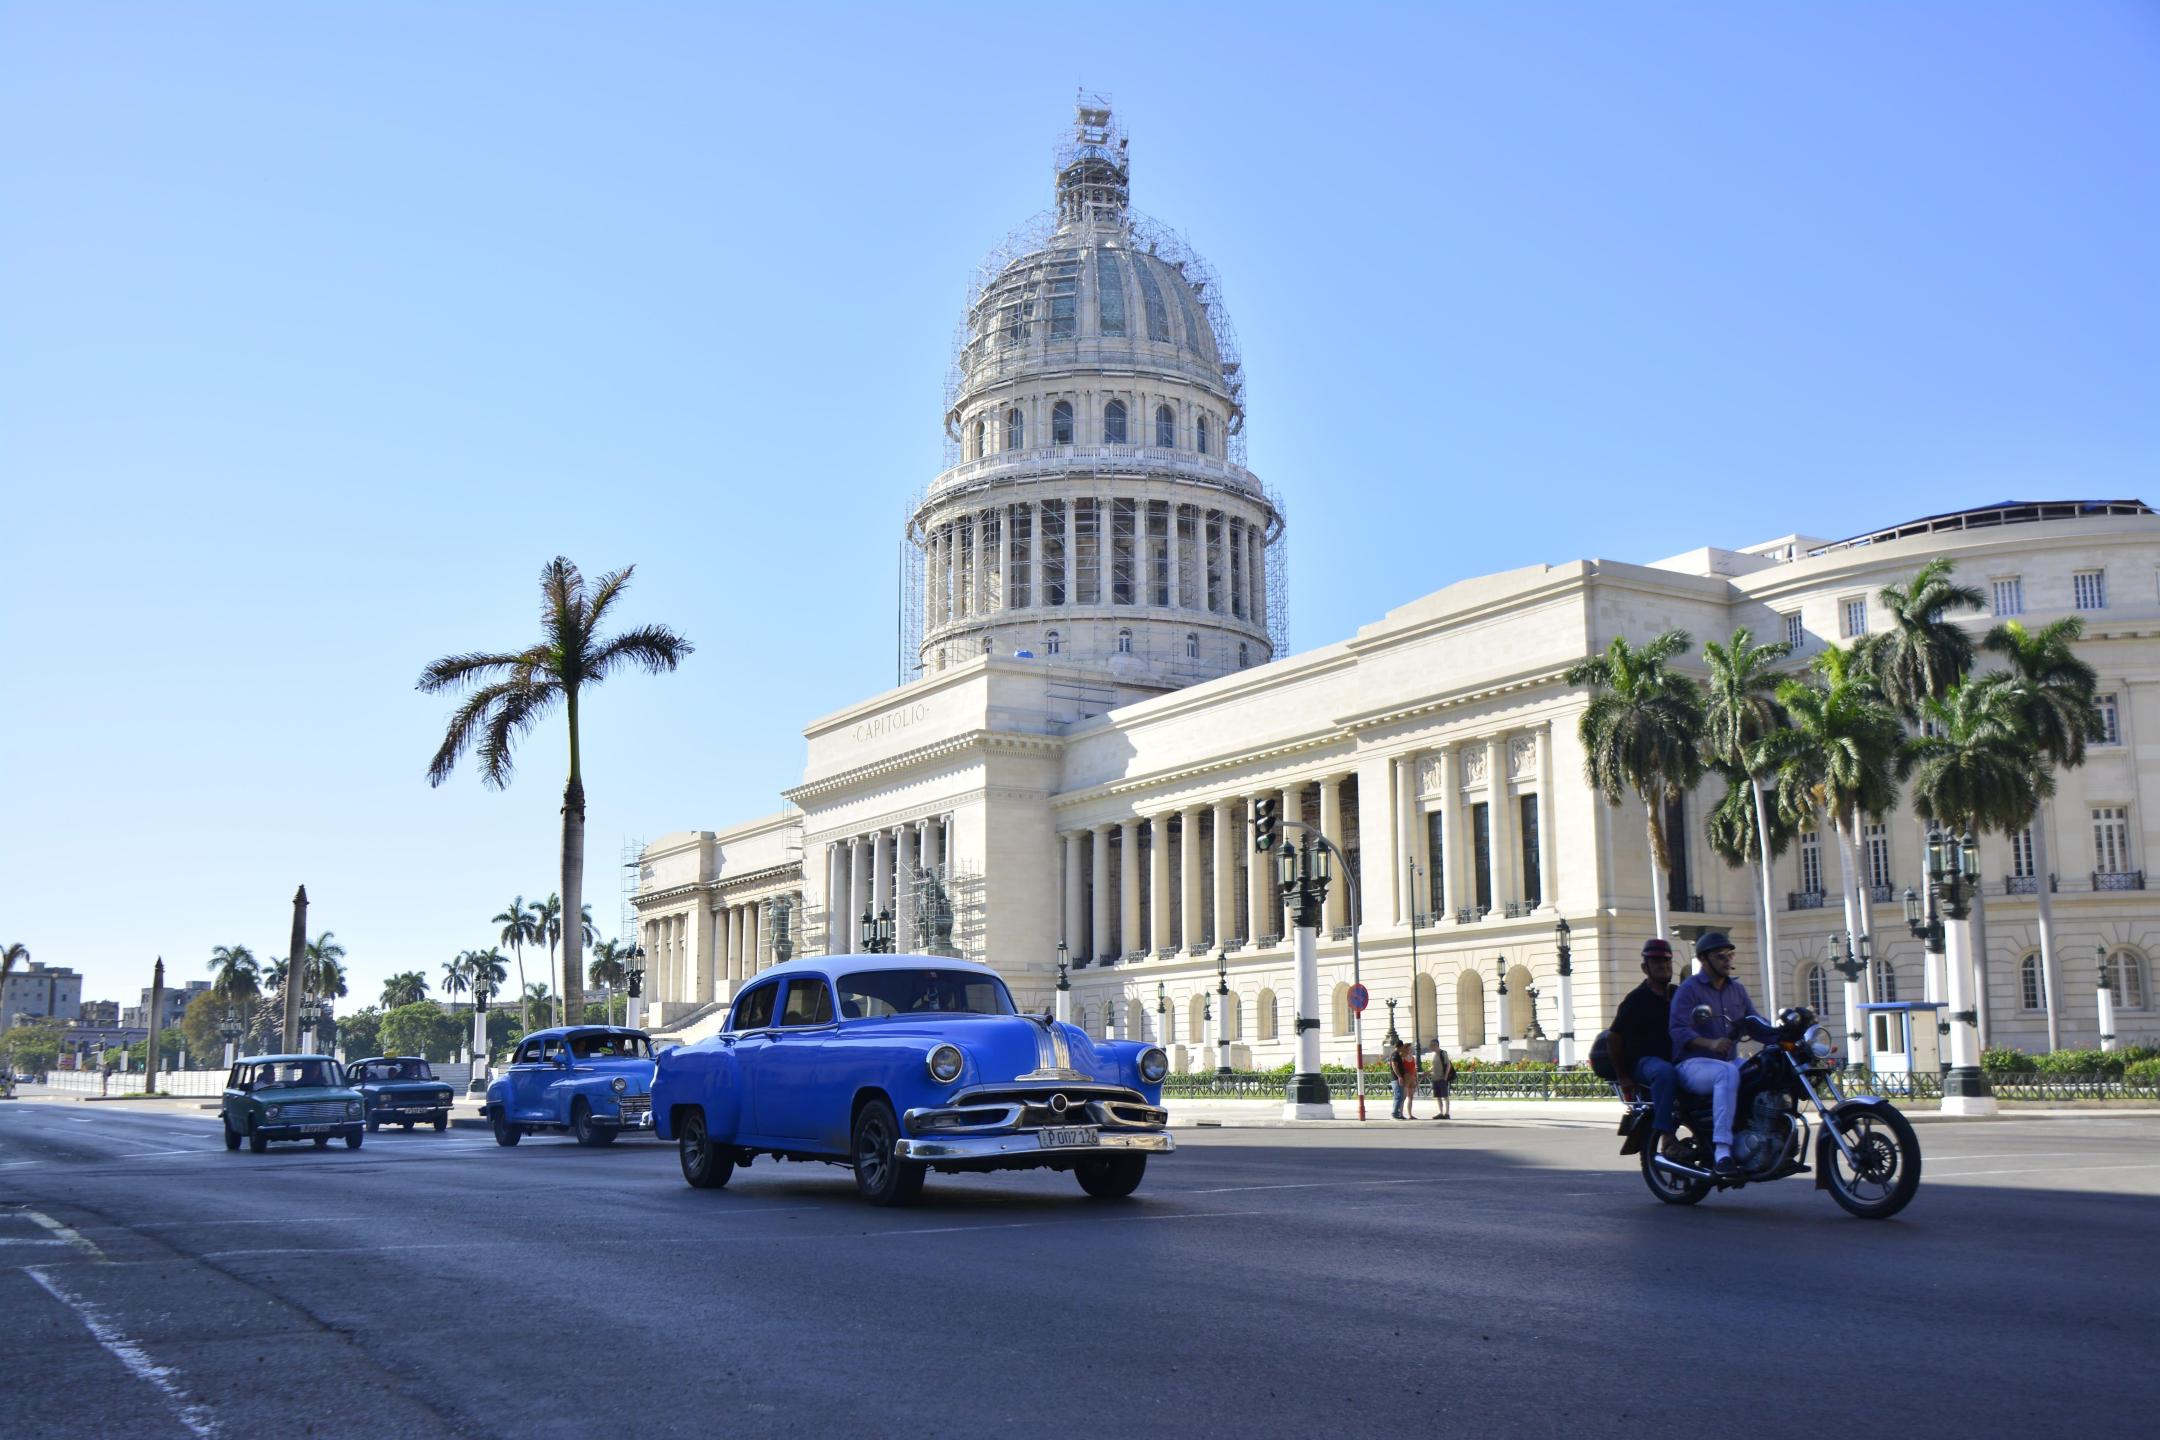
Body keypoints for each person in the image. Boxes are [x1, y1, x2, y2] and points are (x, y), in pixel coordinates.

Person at [1669, 930, 1756, 1173]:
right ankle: (1722, 1150)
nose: (1727, 960)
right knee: (1727, 1074)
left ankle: (1755, 1133)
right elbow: (1678, 1030)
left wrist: (1789, 1033)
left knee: (1762, 1070)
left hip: (1727, 1061)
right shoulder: (1689, 990)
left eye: (1729, 955)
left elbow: (1754, 1022)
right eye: (1720, 956)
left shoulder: (1736, 990)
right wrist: (1710, 1043)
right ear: (1704, 960)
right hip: (1692, 1064)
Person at [1607, 938, 1679, 1142]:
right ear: (1645, 968)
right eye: (1657, 962)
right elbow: (1614, 1038)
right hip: (1645, 1061)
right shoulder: (1636, 999)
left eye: (1667, 962)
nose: (1664, 966)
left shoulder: (1677, 994)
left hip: (1676, 1058)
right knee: (1665, 1072)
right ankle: (1667, 1136)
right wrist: (1623, 1077)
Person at [1390, 1040, 1418, 1120]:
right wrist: (1400, 1076)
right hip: (1404, 1079)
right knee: (1401, 1097)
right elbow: (1394, 1066)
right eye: (1409, 1048)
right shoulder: (1398, 1056)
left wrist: (1415, 1079)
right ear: (1403, 1048)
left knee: (1408, 1097)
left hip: (1411, 1079)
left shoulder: (1412, 1058)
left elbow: (1414, 1069)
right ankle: (1398, 1113)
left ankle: (1408, 1114)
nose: (1410, 1050)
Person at [1428, 1040, 1453, 1120]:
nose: (1430, 1047)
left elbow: (1448, 1065)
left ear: (1436, 1045)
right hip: (1435, 1078)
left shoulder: (1443, 1053)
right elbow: (1434, 1066)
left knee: (1445, 1096)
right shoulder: (1434, 1055)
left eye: (1432, 1045)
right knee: (1438, 1097)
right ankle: (1441, 1113)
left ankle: (1447, 1113)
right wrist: (1427, 1072)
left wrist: (1445, 1077)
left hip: (1442, 1078)